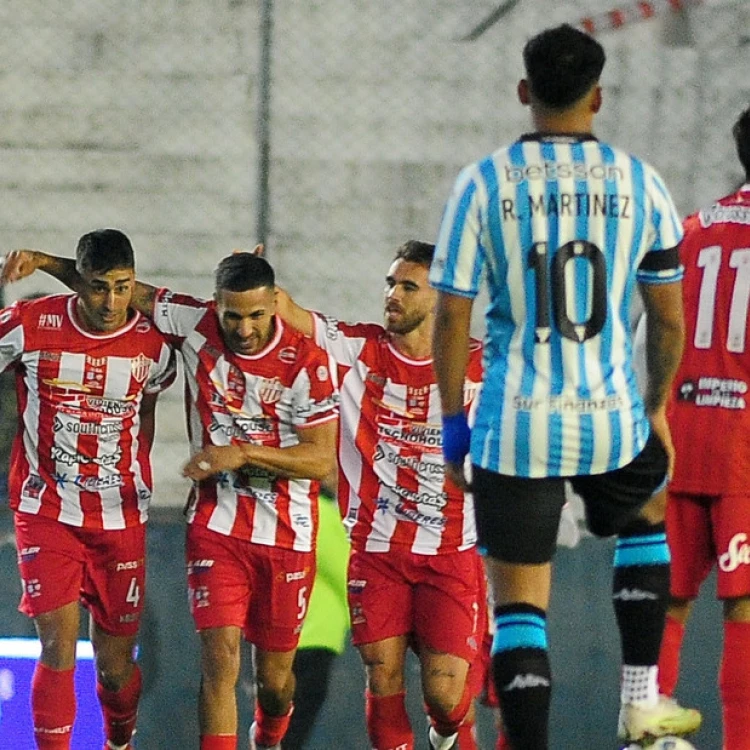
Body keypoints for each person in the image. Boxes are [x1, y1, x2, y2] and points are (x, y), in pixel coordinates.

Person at [429, 24, 702, 749]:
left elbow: (451, 320)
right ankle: (642, 705)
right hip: (609, 415)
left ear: (525, 93)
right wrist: (655, 406)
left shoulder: (482, 184)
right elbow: (669, 323)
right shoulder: (640, 183)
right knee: (649, 505)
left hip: (513, 423)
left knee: (521, 606)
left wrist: (455, 430)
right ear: (599, 97)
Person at [1, 250, 339, 750]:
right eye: (232, 315)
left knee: (273, 685)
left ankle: (268, 737)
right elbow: (113, 290)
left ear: (274, 305)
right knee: (219, 660)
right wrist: (43, 261)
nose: (243, 329)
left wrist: (240, 453)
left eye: (256, 315)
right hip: (215, 526)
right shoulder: (194, 324)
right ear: (216, 305)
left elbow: (322, 460)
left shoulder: (309, 360)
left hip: (285, 532)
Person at [276, 239, 484, 750]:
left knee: (442, 695)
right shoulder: (357, 350)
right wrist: (257, 277)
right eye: (390, 283)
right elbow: (286, 311)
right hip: (376, 553)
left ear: (441, 298)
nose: (392, 294)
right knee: (382, 677)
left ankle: (449, 732)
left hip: (449, 554)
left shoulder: (483, 364)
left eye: (407, 286)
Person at [0, 229, 176, 750]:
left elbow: (148, 408)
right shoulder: (30, 325)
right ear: (80, 282)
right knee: (57, 648)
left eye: (123, 287)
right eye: (99, 287)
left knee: (116, 672)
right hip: (46, 509)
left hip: (119, 517)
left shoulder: (153, 343)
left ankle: (119, 739)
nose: (112, 301)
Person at [653, 106, 750, 750]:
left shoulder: (692, 228)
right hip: (744, 451)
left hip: (679, 437)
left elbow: (651, 332)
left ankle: (646, 734)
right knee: (743, 609)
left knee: (667, 604)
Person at [282, 486, 350, 750]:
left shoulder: (298, 509)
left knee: (282, 716)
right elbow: (344, 568)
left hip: (298, 631)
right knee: (297, 720)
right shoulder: (321, 511)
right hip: (315, 634)